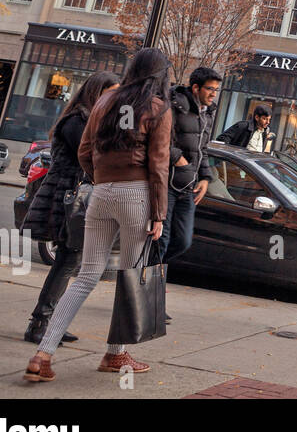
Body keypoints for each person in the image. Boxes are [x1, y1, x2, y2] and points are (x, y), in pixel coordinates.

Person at [24, 48, 174, 383]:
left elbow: (84, 150)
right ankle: (114, 352)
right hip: (136, 195)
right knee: (129, 277)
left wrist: (99, 177)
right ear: (159, 75)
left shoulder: (105, 101)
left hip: (102, 192)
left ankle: (43, 353)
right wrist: (159, 213)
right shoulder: (158, 108)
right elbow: (159, 164)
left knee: (87, 274)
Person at [21, 71, 120, 346]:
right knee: (67, 259)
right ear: (96, 92)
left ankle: (50, 321)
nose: (113, 99)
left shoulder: (92, 119)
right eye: (109, 93)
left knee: (70, 259)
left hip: (77, 193)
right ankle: (40, 323)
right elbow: (90, 154)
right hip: (68, 194)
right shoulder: (77, 120)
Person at [159, 67, 219, 262]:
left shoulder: (207, 114)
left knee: (183, 241)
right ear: (195, 88)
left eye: (216, 90)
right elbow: (160, 140)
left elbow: (203, 149)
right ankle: (147, 284)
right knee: (161, 239)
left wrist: (205, 178)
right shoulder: (176, 105)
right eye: (210, 89)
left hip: (189, 186)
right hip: (167, 183)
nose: (213, 94)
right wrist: (178, 158)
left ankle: (151, 273)